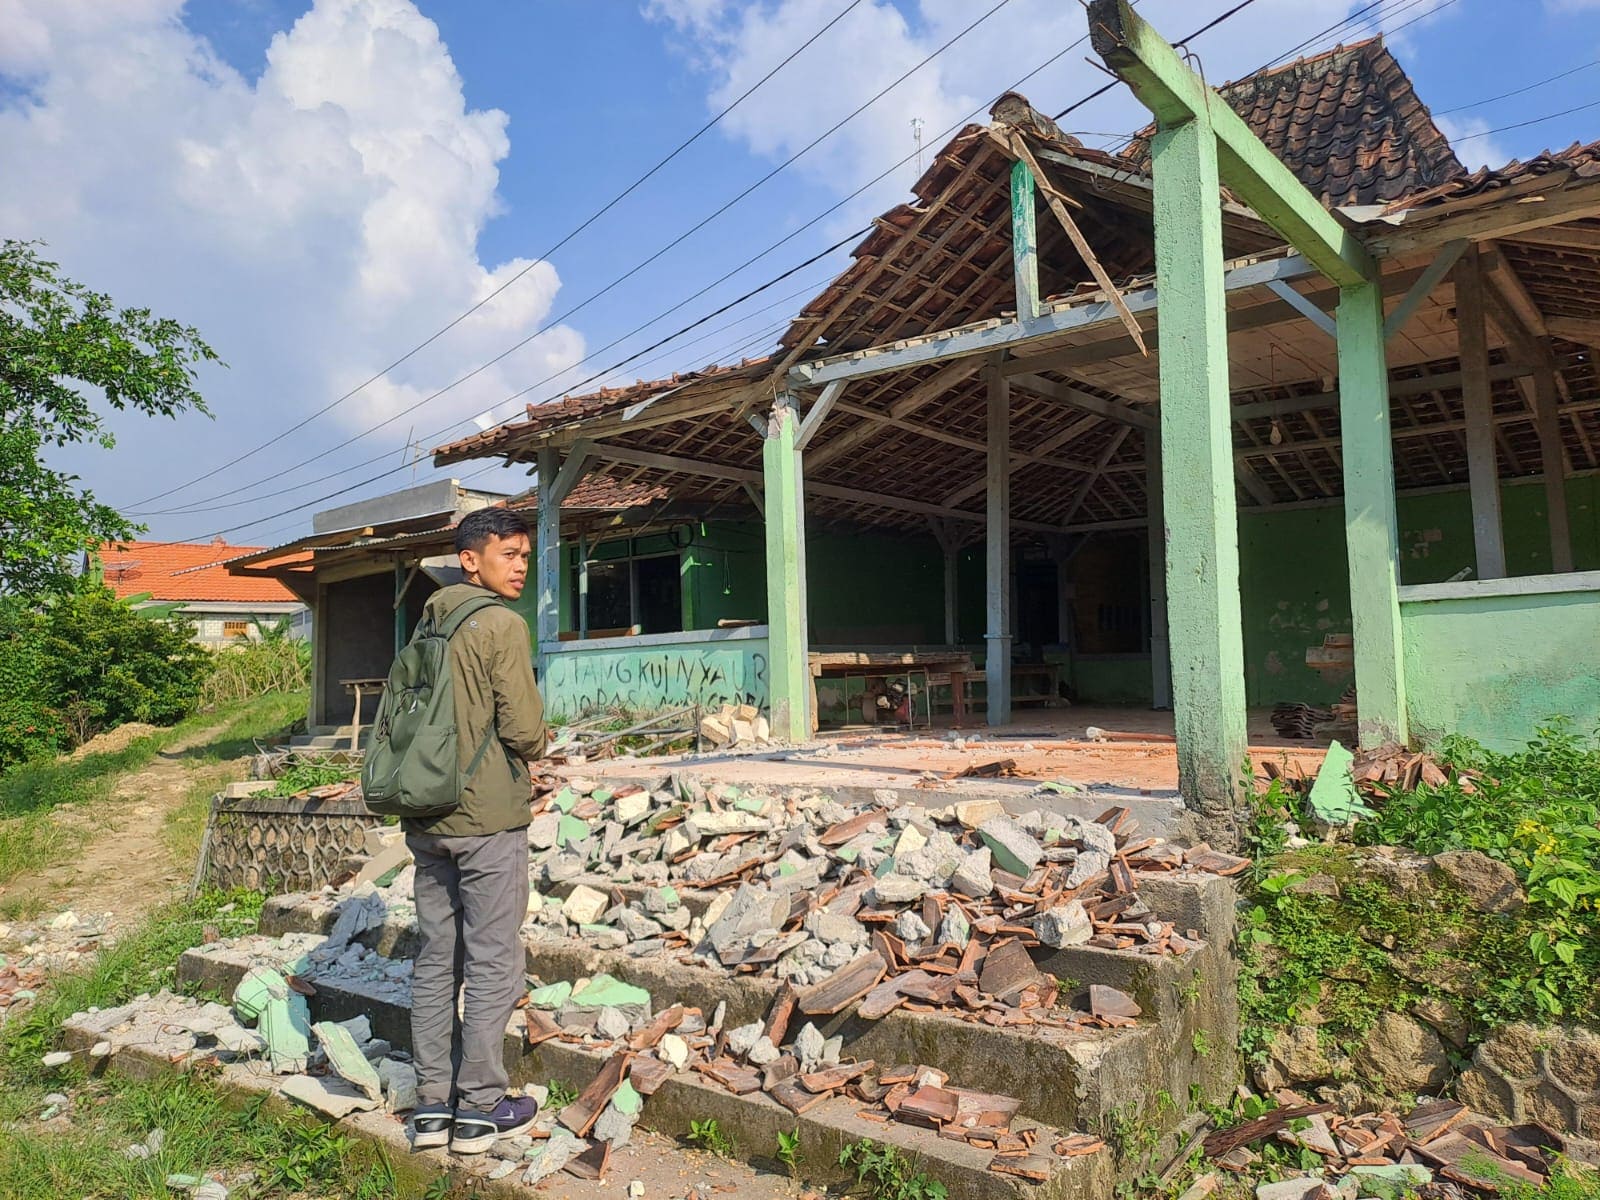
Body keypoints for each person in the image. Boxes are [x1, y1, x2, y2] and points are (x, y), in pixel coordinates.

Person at [405, 507, 547, 1155]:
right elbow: (524, 731)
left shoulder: (426, 621)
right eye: (508, 554)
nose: (520, 565)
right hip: (486, 817)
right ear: (470, 559)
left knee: (437, 958)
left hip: (426, 815)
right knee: (493, 959)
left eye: (524, 555)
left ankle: (432, 1106)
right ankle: (483, 1107)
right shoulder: (501, 624)